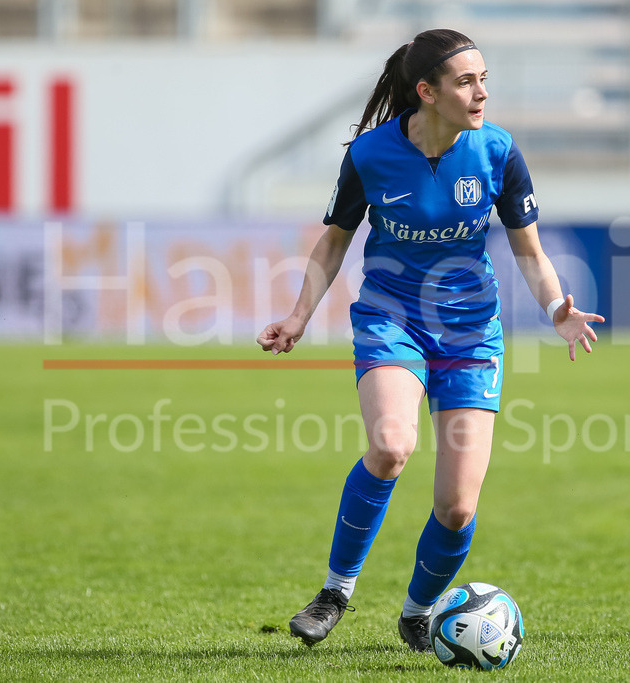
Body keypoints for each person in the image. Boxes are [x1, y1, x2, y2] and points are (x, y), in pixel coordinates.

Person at [256, 28, 604, 652]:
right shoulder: (369, 155)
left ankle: (419, 612)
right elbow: (334, 239)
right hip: (392, 320)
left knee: (457, 509)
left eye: (484, 79)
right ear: (428, 92)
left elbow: (529, 249)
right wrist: (299, 315)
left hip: (471, 335)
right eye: (467, 81)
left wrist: (557, 308)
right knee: (391, 446)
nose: (482, 93)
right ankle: (336, 591)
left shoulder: (497, 152)